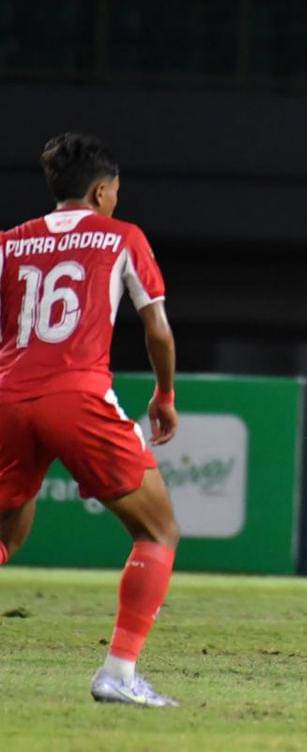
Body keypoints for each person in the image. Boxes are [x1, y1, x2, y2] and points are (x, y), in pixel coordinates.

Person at [0, 133, 182, 705]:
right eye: (117, 191)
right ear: (102, 191)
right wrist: (165, 393)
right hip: (77, 396)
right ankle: (118, 674)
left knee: (6, 534)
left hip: (8, 396)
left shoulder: (9, 243)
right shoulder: (122, 237)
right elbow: (156, 327)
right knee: (157, 531)